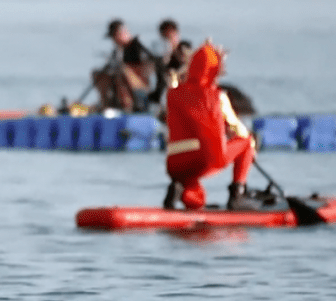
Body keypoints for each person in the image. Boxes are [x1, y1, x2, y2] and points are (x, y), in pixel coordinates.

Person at [164, 41, 259, 211]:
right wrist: (251, 148)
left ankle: (177, 189)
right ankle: (237, 195)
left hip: (175, 164)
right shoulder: (217, 96)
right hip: (205, 159)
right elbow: (240, 130)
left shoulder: (172, 93)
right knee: (247, 142)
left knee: (196, 200)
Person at [92, 19, 156, 113]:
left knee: (122, 72)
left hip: (141, 88)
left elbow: (149, 68)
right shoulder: (118, 51)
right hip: (124, 84)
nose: (114, 40)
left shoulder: (138, 47)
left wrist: (126, 69)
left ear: (122, 33)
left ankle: (127, 107)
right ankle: (105, 105)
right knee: (98, 74)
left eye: (115, 36)